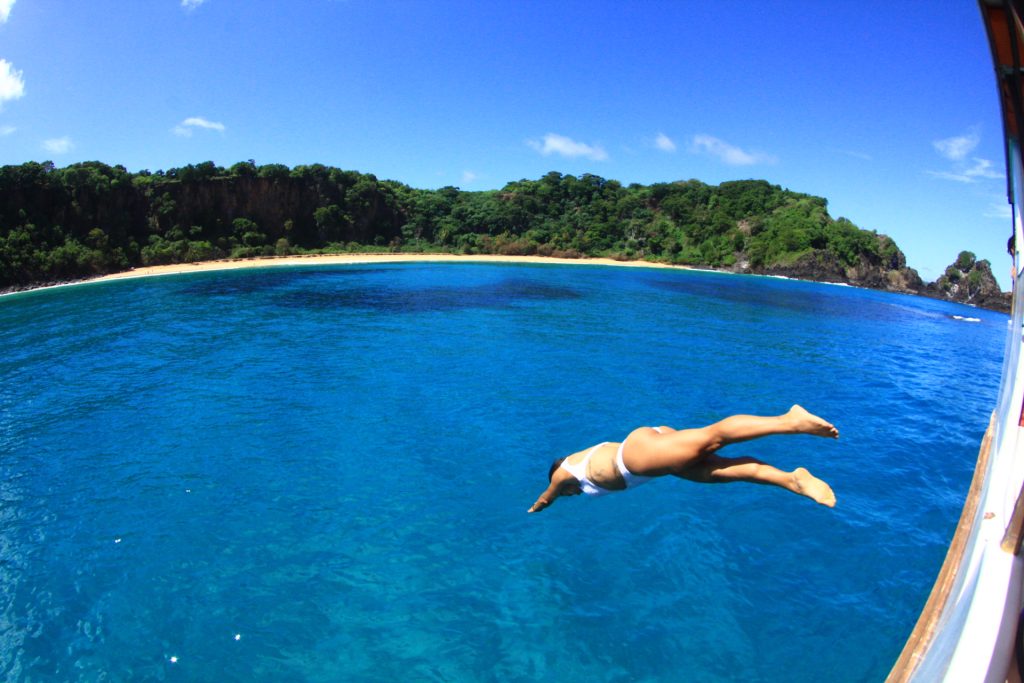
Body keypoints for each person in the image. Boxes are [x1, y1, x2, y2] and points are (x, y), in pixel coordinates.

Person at [528, 405, 838, 513]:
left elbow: (546, 497)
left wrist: (535, 509)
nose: (573, 494)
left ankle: (789, 421)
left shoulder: (564, 473)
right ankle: (792, 480)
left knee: (712, 436)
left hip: (635, 456)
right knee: (724, 472)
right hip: (653, 460)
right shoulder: (580, 460)